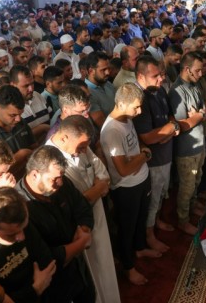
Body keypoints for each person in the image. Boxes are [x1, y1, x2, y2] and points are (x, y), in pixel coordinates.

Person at [45, 115, 120, 303]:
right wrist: (97, 189)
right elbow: (74, 204)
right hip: (78, 229)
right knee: (89, 276)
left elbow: (102, 173)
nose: (85, 151)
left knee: (105, 266)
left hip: (98, 217)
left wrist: (95, 189)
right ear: (63, 138)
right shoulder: (48, 160)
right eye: (80, 147)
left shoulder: (81, 145)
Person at [15, 146, 96, 302]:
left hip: (79, 271)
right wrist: (81, 243)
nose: (60, 183)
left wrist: (84, 229)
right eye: (54, 179)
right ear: (34, 174)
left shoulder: (62, 183)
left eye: (62, 176)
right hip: (54, 287)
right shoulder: (19, 209)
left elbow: (82, 208)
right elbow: (44, 258)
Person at [100, 83, 159, 286]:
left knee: (140, 219)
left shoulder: (127, 118)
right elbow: (123, 169)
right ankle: (128, 267)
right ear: (122, 103)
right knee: (126, 228)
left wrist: (141, 154)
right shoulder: (111, 130)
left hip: (141, 178)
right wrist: (144, 155)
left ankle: (140, 248)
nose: (139, 111)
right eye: (136, 107)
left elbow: (135, 145)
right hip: (126, 187)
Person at [133, 56, 179, 253]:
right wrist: (169, 130)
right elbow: (147, 137)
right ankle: (149, 235)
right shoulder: (139, 99)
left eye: (161, 75)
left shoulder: (158, 90)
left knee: (161, 195)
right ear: (140, 76)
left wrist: (170, 127)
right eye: (155, 76)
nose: (161, 79)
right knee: (152, 200)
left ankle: (157, 221)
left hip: (165, 154)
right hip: (153, 161)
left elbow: (170, 116)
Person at [168, 52, 206, 236]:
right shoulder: (176, 91)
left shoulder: (194, 84)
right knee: (187, 186)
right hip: (186, 149)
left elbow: (203, 109)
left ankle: (192, 206)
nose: (200, 74)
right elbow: (181, 125)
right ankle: (183, 220)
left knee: (197, 179)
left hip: (199, 142)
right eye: (197, 71)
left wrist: (197, 115)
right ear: (186, 69)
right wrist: (198, 115)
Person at [9, 66, 50, 144]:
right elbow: (18, 139)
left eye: (32, 83)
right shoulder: (10, 109)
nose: (31, 89)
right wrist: (42, 128)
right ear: (13, 85)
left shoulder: (37, 95)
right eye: (26, 86)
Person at [85, 51, 115, 129]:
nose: (108, 72)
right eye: (103, 70)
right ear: (91, 71)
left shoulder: (107, 83)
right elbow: (102, 124)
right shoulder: (87, 93)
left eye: (108, 68)